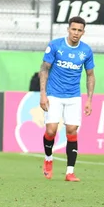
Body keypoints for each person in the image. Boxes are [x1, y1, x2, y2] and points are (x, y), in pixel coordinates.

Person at [39, 16, 95, 182]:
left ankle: (70, 172)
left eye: (79, 30)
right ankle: (48, 159)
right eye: (73, 29)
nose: (76, 33)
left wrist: (89, 99)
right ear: (68, 29)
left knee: (71, 131)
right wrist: (42, 93)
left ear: (83, 32)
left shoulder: (86, 51)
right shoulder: (55, 45)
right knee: (51, 131)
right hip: (54, 94)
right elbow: (44, 69)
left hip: (73, 97)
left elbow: (90, 75)